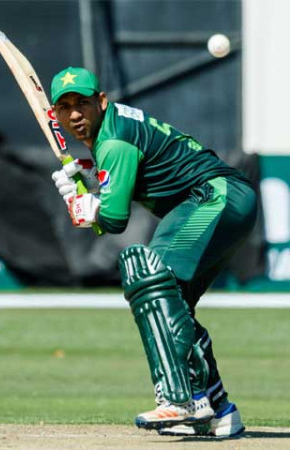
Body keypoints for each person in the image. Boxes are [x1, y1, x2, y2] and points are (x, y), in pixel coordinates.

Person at [50, 67, 256, 437]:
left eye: (82, 103)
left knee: (151, 274)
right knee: (174, 304)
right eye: (65, 108)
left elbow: (113, 219)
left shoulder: (113, 141)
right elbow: (122, 185)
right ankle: (219, 411)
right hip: (221, 199)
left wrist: (90, 208)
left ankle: (184, 399)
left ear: (101, 101)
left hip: (214, 196)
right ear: (56, 114)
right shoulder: (112, 131)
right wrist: (90, 188)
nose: (75, 115)